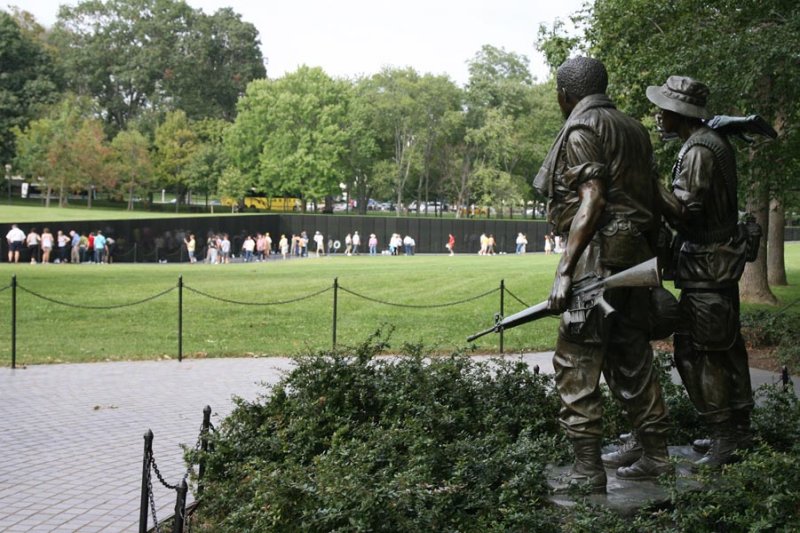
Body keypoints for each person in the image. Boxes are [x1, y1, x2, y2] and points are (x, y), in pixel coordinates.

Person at [532, 56, 670, 492]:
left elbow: (591, 200)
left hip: (597, 259)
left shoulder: (581, 129)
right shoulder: (634, 128)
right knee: (631, 358)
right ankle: (656, 456)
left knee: (576, 360)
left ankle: (588, 470)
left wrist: (564, 271)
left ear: (564, 94)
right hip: (634, 258)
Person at [648, 75, 754, 469]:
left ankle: (725, 434)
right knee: (725, 347)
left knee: (698, 351)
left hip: (708, 267)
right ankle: (737, 428)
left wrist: (648, 181)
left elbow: (683, 210)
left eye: (663, 109)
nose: (658, 115)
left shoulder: (698, 152)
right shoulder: (706, 142)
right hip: (712, 267)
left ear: (680, 113)